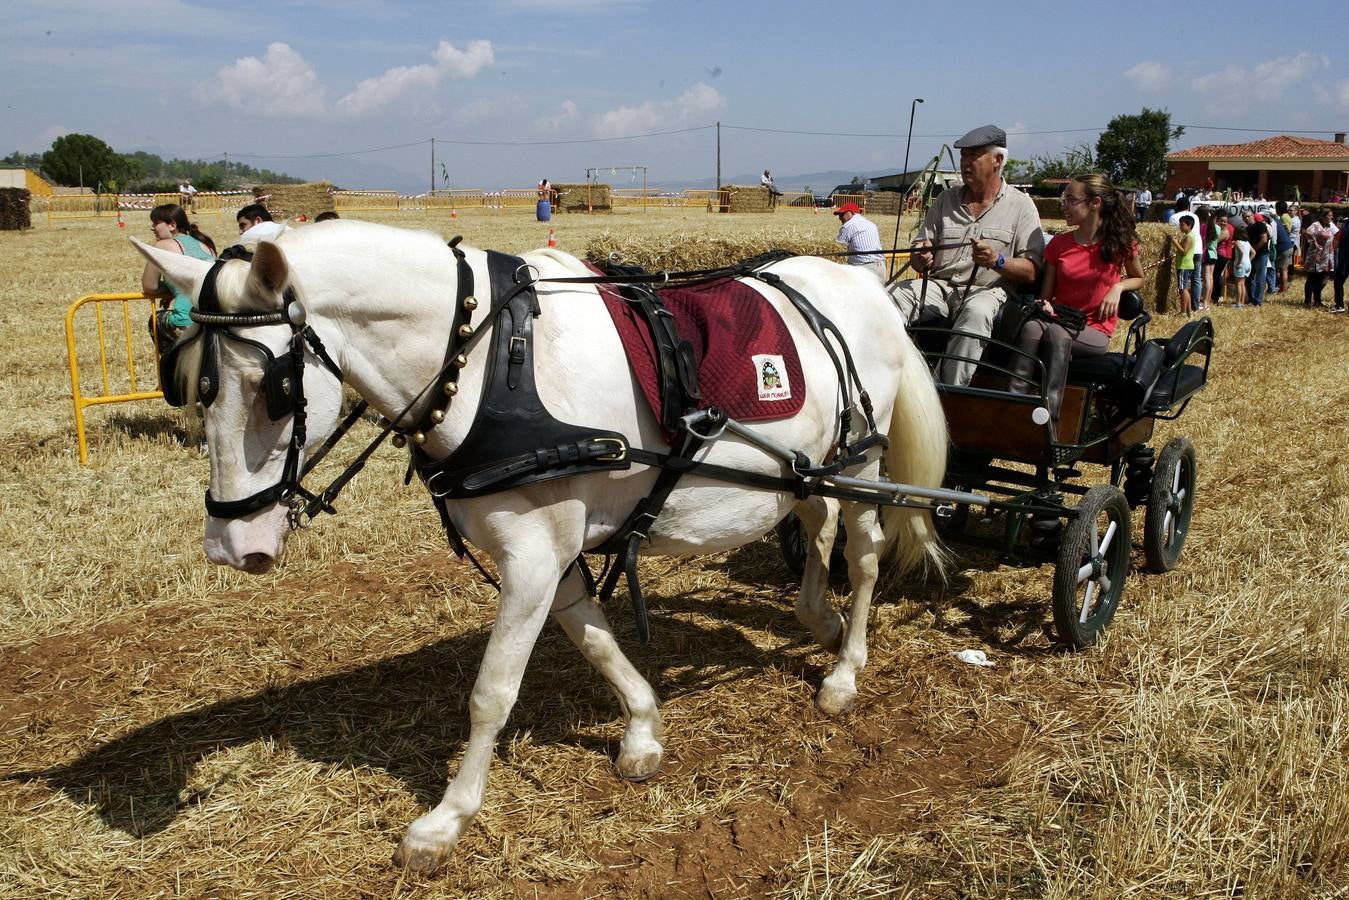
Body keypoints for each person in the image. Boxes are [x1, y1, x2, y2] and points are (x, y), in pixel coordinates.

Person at [888, 124, 1045, 386]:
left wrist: (997, 260)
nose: (965, 162)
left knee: (976, 312)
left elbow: (1030, 271)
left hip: (989, 291)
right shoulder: (945, 200)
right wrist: (921, 256)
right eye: (963, 156)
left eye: (974, 155)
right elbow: (919, 249)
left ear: (997, 160)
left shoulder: (1021, 206)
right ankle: (888, 383)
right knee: (891, 297)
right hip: (939, 287)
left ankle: (950, 394)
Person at [1008, 174, 1143, 419]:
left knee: (1056, 333)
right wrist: (1045, 305)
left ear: (1095, 203)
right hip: (1058, 320)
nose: (1064, 205)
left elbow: (1139, 278)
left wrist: (1118, 287)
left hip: (1095, 329)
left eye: (1071, 199)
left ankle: (1050, 414)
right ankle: (1014, 405)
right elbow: (1046, 296)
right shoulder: (1058, 245)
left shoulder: (1119, 243)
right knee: (1030, 328)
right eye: (1064, 198)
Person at [142, 203, 216, 355]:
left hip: (185, 321)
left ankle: (170, 370)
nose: (152, 227)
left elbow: (149, 286)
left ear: (172, 225)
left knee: (156, 320)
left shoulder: (162, 245)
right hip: (212, 320)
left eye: (156, 223)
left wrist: (172, 289)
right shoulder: (206, 246)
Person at [832, 202, 885, 282]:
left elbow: (838, 248)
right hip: (880, 267)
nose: (840, 218)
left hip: (864, 269)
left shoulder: (849, 226)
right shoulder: (871, 224)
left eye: (842, 214)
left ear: (850, 213)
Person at [1303, 207, 1338, 308]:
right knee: (1311, 279)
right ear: (1322, 216)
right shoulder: (1315, 225)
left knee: (1321, 280)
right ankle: (1307, 301)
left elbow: (1337, 234)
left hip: (1326, 257)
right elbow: (1306, 232)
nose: (1331, 218)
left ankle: (1317, 301)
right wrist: (1315, 242)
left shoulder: (1329, 225)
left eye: (1332, 216)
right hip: (1315, 257)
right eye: (1329, 216)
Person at [1172, 216, 1199, 315]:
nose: (1180, 226)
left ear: (1189, 225)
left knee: (1183, 289)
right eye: (1180, 224)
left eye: (1182, 224)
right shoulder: (1187, 235)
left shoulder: (1188, 237)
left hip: (1184, 265)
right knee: (1185, 288)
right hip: (1186, 265)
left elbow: (1184, 252)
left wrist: (1175, 242)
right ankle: (1188, 311)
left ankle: (1183, 312)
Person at [1246, 214, 1270, 307]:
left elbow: (1264, 239)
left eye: (1248, 216)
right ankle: (1251, 298)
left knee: (1260, 277)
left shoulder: (1260, 225)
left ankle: (1258, 300)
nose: (1246, 218)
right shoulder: (1248, 228)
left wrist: (1254, 250)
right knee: (1250, 276)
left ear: (1252, 216)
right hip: (1252, 255)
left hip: (1261, 254)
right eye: (1244, 217)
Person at [1274, 201, 1296, 293]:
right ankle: (1284, 288)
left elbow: (1288, 229)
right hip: (1288, 244)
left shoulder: (1283, 217)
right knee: (1285, 269)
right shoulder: (1286, 216)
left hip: (1284, 245)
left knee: (1281, 269)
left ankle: (1282, 288)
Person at [1231, 230, 1251, 308]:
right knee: (1243, 284)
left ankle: (1238, 303)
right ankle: (1242, 302)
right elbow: (1254, 253)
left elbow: (1241, 252)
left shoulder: (1237, 242)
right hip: (1248, 264)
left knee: (1238, 284)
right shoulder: (1247, 243)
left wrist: (1239, 262)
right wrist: (1249, 260)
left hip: (1240, 265)